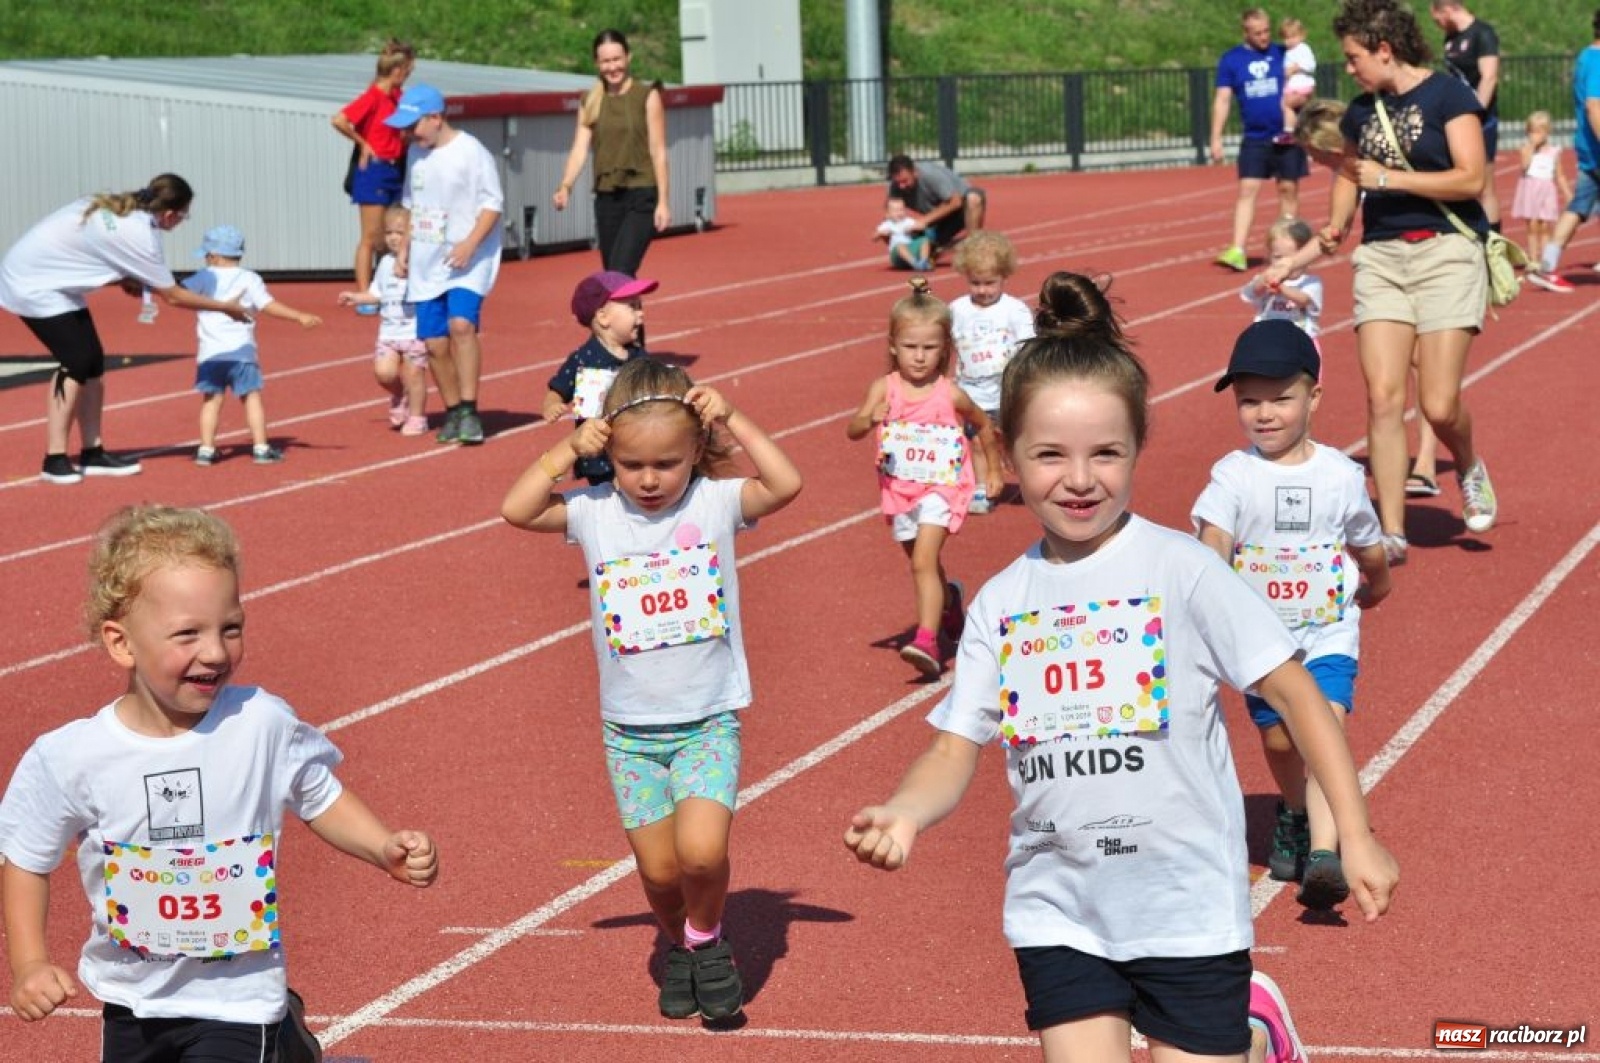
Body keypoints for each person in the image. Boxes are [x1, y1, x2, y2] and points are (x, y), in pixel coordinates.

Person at [843, 276, 1399, 1063]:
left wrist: (1356, 834)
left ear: (1139, 446)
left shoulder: (1184, 570)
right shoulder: (1004, 602)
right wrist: (905, 811)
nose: (1079, 478)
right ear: (1005, 453)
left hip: (1187, 908)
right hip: (1058, 908)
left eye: (1106, 453)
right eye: (1050, 455)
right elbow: (952, 746)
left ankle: (1250, 1021)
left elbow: (1297, 694)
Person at [0, 504, 438, 1058]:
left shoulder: (260, 723)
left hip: (237, 999)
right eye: (188, 634)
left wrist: (381, 846)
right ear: (121, 643)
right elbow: (26, 858)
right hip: (134, 1001)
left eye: (231, 628)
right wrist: (30, 962)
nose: (215, 652)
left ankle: (278, 1038)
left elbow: (319, 794)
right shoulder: (72, 756)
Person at [500, 358, 802, 1022]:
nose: (649, 478)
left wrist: (733, 417)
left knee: (703, 852)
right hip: (630, 734)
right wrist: (563, 450)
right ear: (609, 452)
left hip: (705, 722)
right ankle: (684, 943)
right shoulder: (596, 513)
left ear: (695, 450)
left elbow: (785, 482)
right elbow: (516, 508)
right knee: (662, 875)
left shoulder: (716, 502)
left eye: (667, 462)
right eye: (633, 463)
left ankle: (707, 942)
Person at [1277, 0, 1497, 565]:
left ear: (1384, 49)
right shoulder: (1359, 112)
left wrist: (1389, 177)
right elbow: (1351, 179)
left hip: (1446, 253)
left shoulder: (1449, 96)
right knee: (1382, 396)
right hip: (1381, 258)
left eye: (1354, 57)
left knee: (1440, 403)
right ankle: (1391, 529)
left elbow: (1472, 177)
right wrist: (1327, 232)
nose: (1348, 69)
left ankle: (1468, 464)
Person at [1193, 318, 1392, 910]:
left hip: (1328, 632)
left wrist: (1377, 584)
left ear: (1315, 397)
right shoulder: (1234, 474)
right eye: (1249, 401)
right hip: (1262, 646)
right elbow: (1213, 542)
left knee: (1323, 727)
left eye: (1281, 398)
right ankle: (1297, 812)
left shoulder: (1338, 475)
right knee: (1280, 742)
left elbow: (1369, 544)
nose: (1264, 413)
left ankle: (1326, 855)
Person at [0, 174, 250, 485]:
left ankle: (93, 452)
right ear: (171, 214)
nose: (182, 222)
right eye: (184, 216)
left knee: (92, 361)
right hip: (32, 283)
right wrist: (227, 307)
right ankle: (54, 459)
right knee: (76, 362)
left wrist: (128, 278)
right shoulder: (140, 235)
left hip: (49, 278)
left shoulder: (125, 209)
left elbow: (93, 249)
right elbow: (173, 295)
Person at [846, 278, 1002, 679]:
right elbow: (853, 429)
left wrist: (993, 471)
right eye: (911, 347)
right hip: (900, 488)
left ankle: (927, 640)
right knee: (923, 562)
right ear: (894, 346)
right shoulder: (885, 388)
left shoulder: (949, 394)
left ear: (944, 349)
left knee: (922, 561)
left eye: (929, 348)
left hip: (943, 486)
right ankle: (949, 600)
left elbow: (984, 425)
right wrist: (868, 419)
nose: (919, 357)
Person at [1293, 97, 1442, 501]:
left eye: (1313, 155)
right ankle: (1419, 464)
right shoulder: (1349, 169)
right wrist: (1289, 264)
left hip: (1436, 257)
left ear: (1329, 145)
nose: (1313, 163)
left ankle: (1429, 460)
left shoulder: (1394, 150)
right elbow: (1333, 233)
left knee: (1426, 368)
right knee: (1393, 375)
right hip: (1388, 266)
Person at [385, 83, 504, 446]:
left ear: (435, 118)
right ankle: (453, 411)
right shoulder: (416, 155)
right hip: (426, 262)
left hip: (467, 260)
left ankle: (469, 408)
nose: (407, 133)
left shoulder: (471, 152)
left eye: (413, 124)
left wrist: (470, 243)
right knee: (435, 343)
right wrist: (405, 247)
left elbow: (492, 204)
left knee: (461, 324)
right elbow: (413, 204)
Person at [184, 225, 322, 466]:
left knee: (211, 401)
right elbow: (268, 305)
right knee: (252, 398)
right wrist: (298, 316)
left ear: (214, 255)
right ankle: (260, 447)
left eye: (207, 254)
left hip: (210, 355)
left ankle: (206, 449)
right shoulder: (249, 278)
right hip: (242, 354)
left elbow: (179, 293)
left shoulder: (203, 276)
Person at [552, 29, 671, 278]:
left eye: (617, 59)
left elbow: (658, 151)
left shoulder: (647, 97)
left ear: (628, 58)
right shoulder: (590, 100)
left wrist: (663, 202)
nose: (612, 66)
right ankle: (633, 318)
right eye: (606, 61)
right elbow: (579, 149)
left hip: (641, 196)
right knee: (614, 275)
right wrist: (566, 186)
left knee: (621, 269)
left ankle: (630, 316)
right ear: (597, 63)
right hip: (607, 198)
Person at [1211, 7, 1310, 271]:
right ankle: (1238, 249)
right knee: (1247, 190)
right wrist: (1216, 138)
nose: (1264, 37)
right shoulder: (1232, 60)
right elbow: (1222, 100)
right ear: (1246, 32)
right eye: (1258, 33)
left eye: (1267, 31)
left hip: (1287, 136)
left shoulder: (1283, 53)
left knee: (1288, 189)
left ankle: (1288, 249)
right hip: (1255, 137)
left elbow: (1305, 81)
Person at [542, 270, 660, 485]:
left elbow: (660, 386)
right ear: (603, 317)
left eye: (640, 307)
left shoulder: (638, 356)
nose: (641, 314)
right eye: (633, 307)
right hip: (598, 458)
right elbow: (557, 390)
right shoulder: (584, 359)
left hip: (634, 449)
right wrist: (552, 405)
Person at [949, 230, 1033, 513]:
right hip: (971, 391)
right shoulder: (957, 309)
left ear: (1004, 277)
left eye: (990, 283)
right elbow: (946, 342)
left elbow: (1027, 345)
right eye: (975, 283)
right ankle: (983, 489)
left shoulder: (1014, 310)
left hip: (1006, 391)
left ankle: (1033, 484)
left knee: (1014, 441)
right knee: (976, 441)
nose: (982, 290)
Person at [330, 38, 415, 295]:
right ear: (397, 71)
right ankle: (365, 291)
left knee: (398, 230)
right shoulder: (373, 96)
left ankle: (395, 285)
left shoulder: (398, 97)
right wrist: (363, 143)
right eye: (407, 72)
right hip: (375, 169)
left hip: (395, 168)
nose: (408, 77)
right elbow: (340, 120)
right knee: (373, 236)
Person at [337, 205, 430, 436]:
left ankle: (418, 417)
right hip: (388, 334)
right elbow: (376, 294)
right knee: (384, 373)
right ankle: (400, 395)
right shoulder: (385, 263)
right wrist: (356, 297)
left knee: (414, 374)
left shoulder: (419, 262)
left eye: (400, 232)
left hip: (414, 331)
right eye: (389, 233)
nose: (394, 238)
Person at [1526, 10, 1600, 294]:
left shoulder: (1585, 56)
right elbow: (1594, 106)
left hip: (1589, 148)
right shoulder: (1597, 61)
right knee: (1578, 208)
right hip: (1596, 149)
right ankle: (1547, 265)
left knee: (1579, 208)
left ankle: (1548, 264)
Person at [1429, 0, 1501, 228]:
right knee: (1457, 182)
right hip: (1455, 119)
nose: (1437, 24)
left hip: (1481, 119)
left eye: (1437, 18)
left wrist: (1475, 113)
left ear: (1447, 10)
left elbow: (1489, 77)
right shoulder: (1450, 38)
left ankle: (1494, 246)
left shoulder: (1483, 33)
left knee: (1484, 186)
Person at [1240, 217, 1324, 343]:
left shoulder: (1310, 282)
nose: (1282, 263)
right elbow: (1252, 292)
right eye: (1277, 257)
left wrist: (1282, 289)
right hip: (1268, 337)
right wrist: (1264, 280)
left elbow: (1304, 300)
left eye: (1290, 258)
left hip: (1300, 341)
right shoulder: (1266, 277)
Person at [885, 155, 988, 257]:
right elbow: (890, 213)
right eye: (898, 182)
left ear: (915, 172)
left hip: (962, 209)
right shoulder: (895, 187)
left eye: (905, 181)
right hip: (939, 218)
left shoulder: (930, 175)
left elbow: (956, 202)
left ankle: (974, 245)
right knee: (924, 250)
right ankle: (960, 245)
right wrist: (889, 231)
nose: (901, 186)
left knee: (973, 198)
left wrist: (923, 221)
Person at [1511, 111, 1574, 275]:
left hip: (1547, 191)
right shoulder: (1525, 149)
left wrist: (1568, 194)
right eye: (1532, 131)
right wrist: (1531, 148)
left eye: (1539, 131)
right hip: (1531, 189)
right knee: (1532, 225)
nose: (1535, 135)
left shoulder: (1554, 151)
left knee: (1545, 225)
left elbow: (1559, 175)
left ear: (1547, 132)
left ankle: (1545, 259)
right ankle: (1533, 259)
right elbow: (1524, 166)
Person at [1278, 18, 1319, 144]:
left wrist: (1296, 67)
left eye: (1293, 37)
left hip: (1301, 85)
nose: (1289, 41)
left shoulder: (1302, 48)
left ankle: (1289, 131)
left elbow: (1311, 65)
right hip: (1295, 85)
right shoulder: (1289, 51)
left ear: (1302, 36)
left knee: (1286, 105)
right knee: (1300, 109)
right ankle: (1304, 130)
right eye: (1286, 38)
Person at [875, 194, 933, 271]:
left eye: (902, 209)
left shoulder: (907, 221)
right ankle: (915, 264)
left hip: (910, 250)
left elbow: (922, 226)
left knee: (924, 240)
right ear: (888, 214)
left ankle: (923, 262)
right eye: (895, 211)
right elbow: (874, 237)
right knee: (900, 246)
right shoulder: (887, 224)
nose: (899, 213)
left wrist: (914, 227)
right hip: (897, 255)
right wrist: (881, 233)